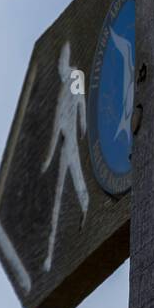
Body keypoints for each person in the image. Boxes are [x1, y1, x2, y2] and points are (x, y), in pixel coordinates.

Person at [42, 41, 89, 272]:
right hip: (66, 146)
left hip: (71, 144)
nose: (60, 65)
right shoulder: (62, 90)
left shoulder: (75, 75)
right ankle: (49, 255)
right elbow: (55, 131)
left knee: (72, 182)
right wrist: (48, 159)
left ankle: (87, 206)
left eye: (63, 60)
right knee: (61, 190)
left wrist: (84, 125)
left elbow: (81, 105)